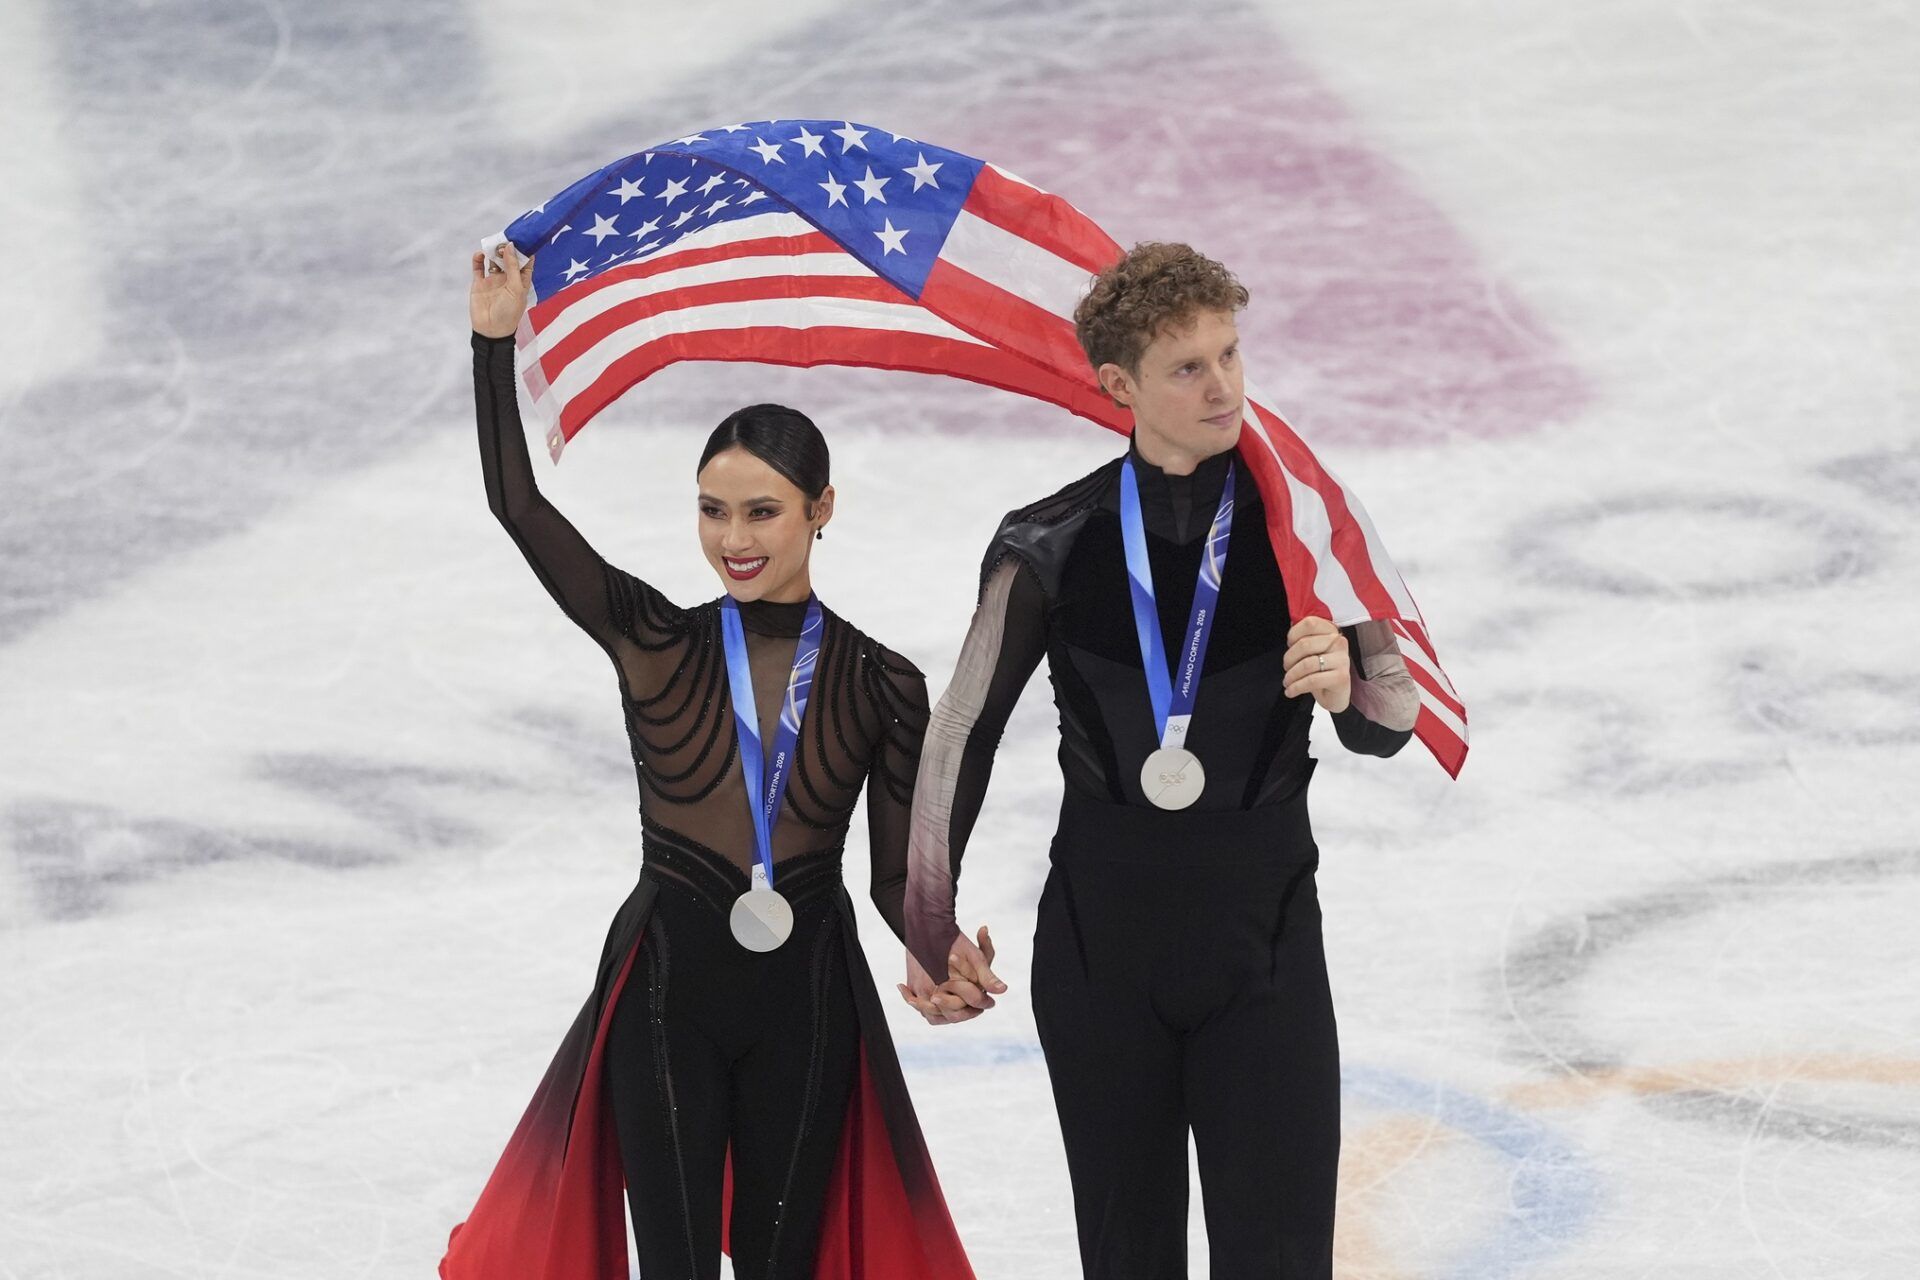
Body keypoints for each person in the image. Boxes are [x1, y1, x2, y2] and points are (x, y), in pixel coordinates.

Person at [442, 244, 974, 1280]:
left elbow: (886, 872)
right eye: (712, 509)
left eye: (763, 510)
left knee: (783, 1262)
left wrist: (938, 946)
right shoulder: (655, 640)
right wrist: (490, 344)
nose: (734, 537)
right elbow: (520, 506)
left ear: (823, 508)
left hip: (809, 1001)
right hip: (664, 989)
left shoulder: (882, 683)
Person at [899, 242, 1421, 1278]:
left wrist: (1344, 687)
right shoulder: (1046, 542)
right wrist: (926, 925)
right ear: (1119, 385)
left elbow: (1391, 720)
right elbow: (959, 732)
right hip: (1101, 962)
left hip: (1262, 955)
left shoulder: (1303, 526)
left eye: (1230, 353)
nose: (1223, 384)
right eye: (1188, 366)